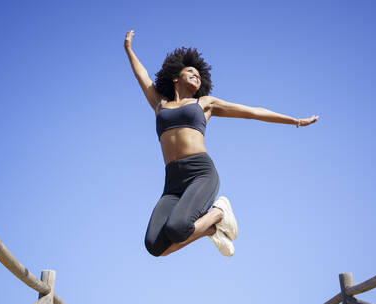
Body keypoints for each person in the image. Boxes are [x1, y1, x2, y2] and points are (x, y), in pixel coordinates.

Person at [124, 30, 318, 257]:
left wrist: (294, 121)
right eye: (190, 71)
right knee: (155, 246)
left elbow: (253, 112)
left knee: (177, 229)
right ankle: (212, 229)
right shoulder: (160, 104)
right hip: (172, 182)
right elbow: (142, 75)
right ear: (175, 77)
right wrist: (129, 49)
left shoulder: (205, 104)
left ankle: (218, 213)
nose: (196, 76)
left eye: (199, 74)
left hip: (200, 173)